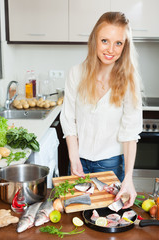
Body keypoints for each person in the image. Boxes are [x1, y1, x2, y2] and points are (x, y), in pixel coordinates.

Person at [60, 12, 143, 208]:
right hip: (78, 159)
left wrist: (129, 178)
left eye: (118, 43)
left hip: (111, 164)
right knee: (77, 216)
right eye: (105, 40)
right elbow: (68, 119)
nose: (111, 50)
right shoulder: (76, 74)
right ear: (94, 40)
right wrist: (74, 158)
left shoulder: (130, 81)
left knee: (107, 219)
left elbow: (130, 134)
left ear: (125, 47)